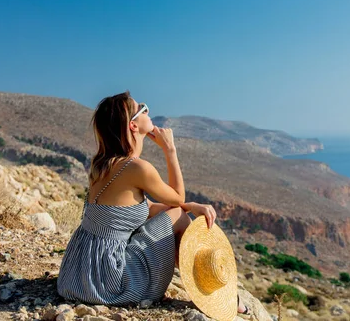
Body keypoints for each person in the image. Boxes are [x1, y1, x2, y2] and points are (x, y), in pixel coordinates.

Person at [57, 91, 249, 315]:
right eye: (143, 108)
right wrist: (170, 150)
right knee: (179, 216)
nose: (149, 111)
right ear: (133, 126)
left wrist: (190, 206)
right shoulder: (137, 168)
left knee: (178, 212)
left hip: (77, 274)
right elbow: (177, 197)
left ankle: (209, 288)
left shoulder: (102, 164)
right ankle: (211, 291)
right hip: (109, 283)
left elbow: (145, 209)